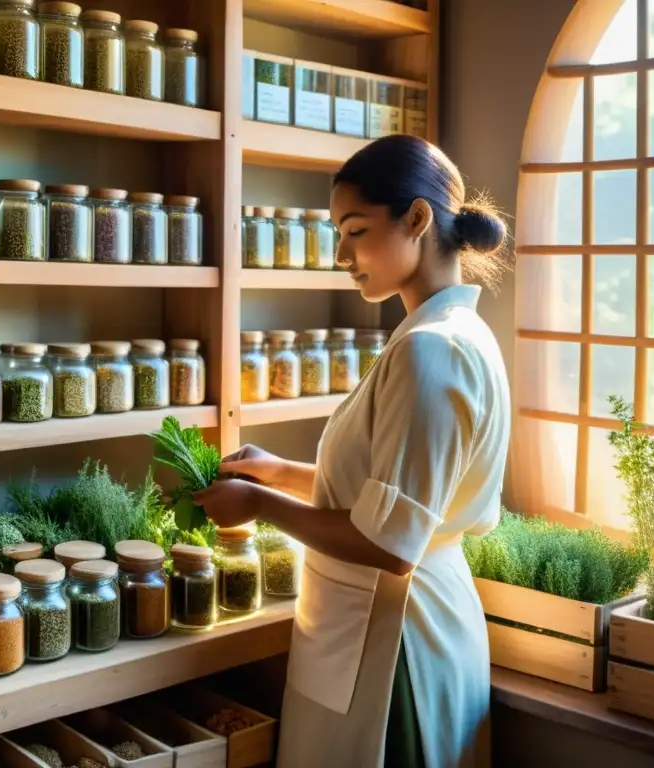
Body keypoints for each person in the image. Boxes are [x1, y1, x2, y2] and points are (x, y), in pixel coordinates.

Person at [195, 134, 511, 768]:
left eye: (356, 230)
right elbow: (393, 493)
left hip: (397, 640)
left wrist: (257, 504)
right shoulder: (448, 333)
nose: (342, 254)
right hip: (383, 624)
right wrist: (279, 473)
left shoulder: (432, 351)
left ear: (417, 219)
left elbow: (388, 544)